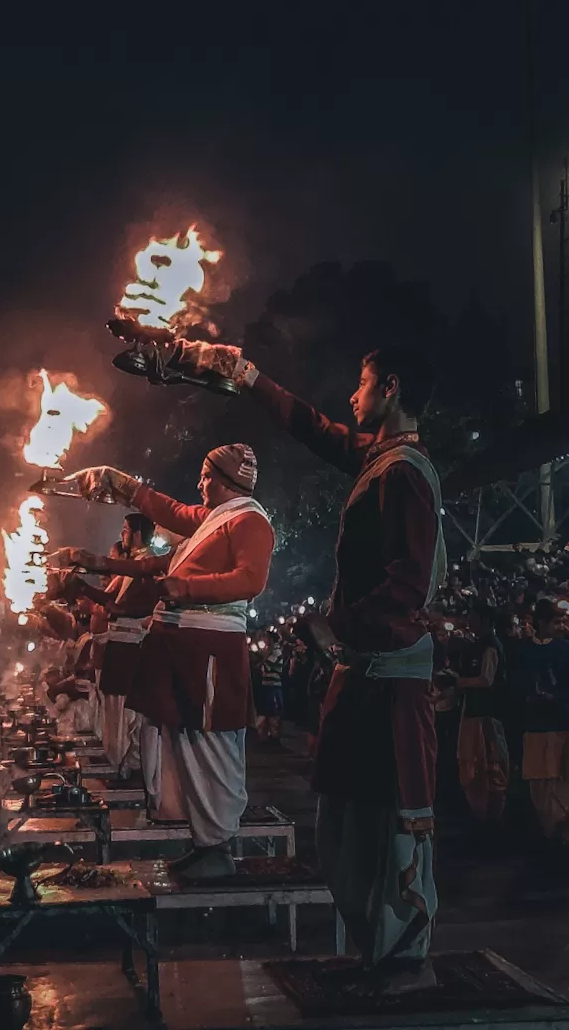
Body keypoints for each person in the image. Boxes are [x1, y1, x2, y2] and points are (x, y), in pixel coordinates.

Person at [178, 341, 445, 992]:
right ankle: (371, 952)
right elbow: (311, 427)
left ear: (392, 386)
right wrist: (245, 377)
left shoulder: (403, 470)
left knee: (388, 821)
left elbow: (408, 585)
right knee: (341, 821)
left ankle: (405, 960)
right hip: (358, 675)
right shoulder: (375, 459)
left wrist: (333, 628)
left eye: (361, 383)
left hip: (388, 680)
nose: (352, 397)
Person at [59, 444, 274, 878]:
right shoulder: (211, 522)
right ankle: (203, 839)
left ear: (229, 480)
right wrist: (121, 483)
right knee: (185, 744)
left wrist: (186, 589)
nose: (199, 484)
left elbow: (252, 580)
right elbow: (170, 510)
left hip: (209, 651)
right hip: (182, 648)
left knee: (209, 745)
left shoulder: (249, 520)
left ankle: (218, 844)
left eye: (206, 476)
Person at [63, 513, 159, 775]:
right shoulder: (134, 564)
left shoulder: (147, 564)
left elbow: (119, 608)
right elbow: (110, 599)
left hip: (130, 650)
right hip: (118, 649)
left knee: (124, 717)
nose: (122, 535)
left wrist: (82, 588)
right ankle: (118, 764)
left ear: (137, 534)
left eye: (126, 530)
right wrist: (78, 586)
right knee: (113, 714)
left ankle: (125, 768)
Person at [451, 603, 508, 821]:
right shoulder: (476, 645)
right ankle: (478, 810)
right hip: (473, 711)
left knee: (489, 763)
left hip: (486, 714)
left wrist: (459, 682)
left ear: (485, 621)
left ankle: (491, 814)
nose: (469, 621)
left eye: (473, 616)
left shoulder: (490, 646)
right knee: (472, 762)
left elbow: (486, 679)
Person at [518, 599, 569, 843]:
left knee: (561, 776)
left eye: (562, 621)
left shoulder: (564, 649)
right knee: (538, 779)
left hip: (560, 723)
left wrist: (555, 697)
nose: (560, 626)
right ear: (541, 622)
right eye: (556, 622)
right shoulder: (523, 650)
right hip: (535, 724)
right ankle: (549, 830)